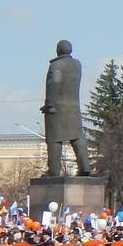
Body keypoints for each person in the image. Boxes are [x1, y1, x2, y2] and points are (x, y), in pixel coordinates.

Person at [40, 39, 92, 177]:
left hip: (57, 109)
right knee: (77, 138)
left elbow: (54, 83)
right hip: (74, 108)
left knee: (55, 139)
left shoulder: (56, 65)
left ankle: (54, 171)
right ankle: (85, 167)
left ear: (57, 50)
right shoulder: (77, 64)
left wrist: (49, 104)